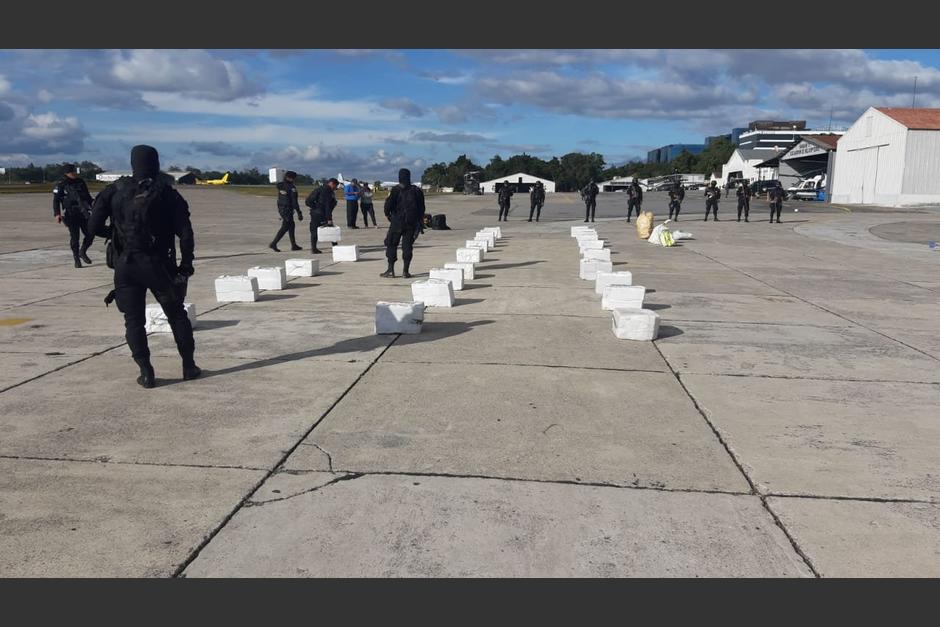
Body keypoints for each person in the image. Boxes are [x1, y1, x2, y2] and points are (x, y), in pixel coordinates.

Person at [87, 145, 199, 389]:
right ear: (156, 164)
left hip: (125, 264)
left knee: (133, 320)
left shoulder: (114, 190)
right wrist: (186, 263)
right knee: (176, 315)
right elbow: (185, 233)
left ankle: (146, 372)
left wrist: (116, 233)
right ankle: (189, 366)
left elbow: (92, 226)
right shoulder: (167, 193)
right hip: (158, 264)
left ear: (132, 163)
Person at [381, 168, 425, 278]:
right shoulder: (416, 190)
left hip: (397, 222)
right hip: (411, 223)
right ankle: (406, 271)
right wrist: (418, 222)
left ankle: (391, 270)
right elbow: (422, 208)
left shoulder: (396, 190)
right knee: (407, 246)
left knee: (391, 244)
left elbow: (388, 205)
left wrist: (388, 215)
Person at [52, 163, 96, 268]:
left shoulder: (80, 182)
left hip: (83, 213)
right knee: (75, 238)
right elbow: (56, 200)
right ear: (67, 173)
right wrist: (57, 214)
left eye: (75, 171)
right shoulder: (61, 184)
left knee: (90, 234)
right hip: (71, 214)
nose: (75, 173)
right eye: (72, 172)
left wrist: (95, 207)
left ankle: (83, 251)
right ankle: (76, 259)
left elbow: (88, 197)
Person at [269, 170, 303, 252]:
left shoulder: (280, 185)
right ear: (291, 178)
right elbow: (294, 201)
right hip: (287, 209)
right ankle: (274, 243)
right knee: (285, 226)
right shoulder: (292, 188)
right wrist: (299, 212)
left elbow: (278, 184)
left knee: (291, 225)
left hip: (281, 208)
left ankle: (293, 245)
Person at [305, 178, 340, 253]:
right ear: (332, 183)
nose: (335, 188)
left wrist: (314, 208)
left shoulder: (319, 189)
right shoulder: (327, 191)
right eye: (335, 186)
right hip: (322, 214)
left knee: (314, 230)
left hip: (315, 213)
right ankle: (336, 247)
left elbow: (308, 201)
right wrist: (329, 218)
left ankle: (313, 248)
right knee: (331, 230)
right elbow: (327, 206)